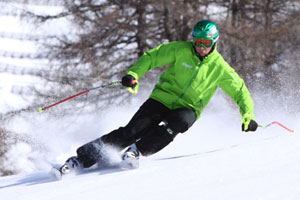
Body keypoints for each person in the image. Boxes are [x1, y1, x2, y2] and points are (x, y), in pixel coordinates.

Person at [60, 19, 258, 173]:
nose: (201, 47)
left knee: (179, 122)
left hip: (188, 107)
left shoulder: (220, 68)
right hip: (162, 98)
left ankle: (136, 151)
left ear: (214, 42)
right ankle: (81, 159)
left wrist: (247, 115)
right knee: (131, 131)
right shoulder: (180, 50)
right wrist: (133, 74)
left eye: (206, 42)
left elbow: (240, 90)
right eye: (197, 41)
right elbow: (152, 57)